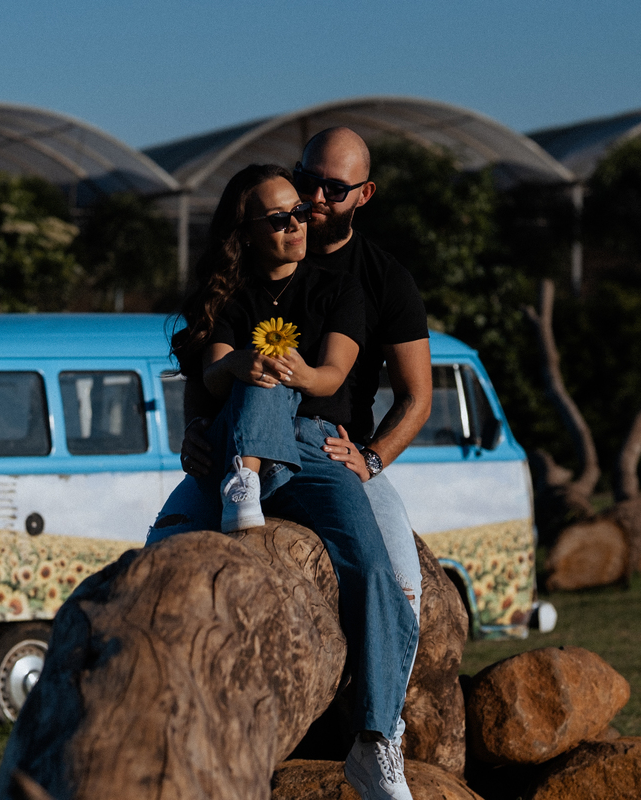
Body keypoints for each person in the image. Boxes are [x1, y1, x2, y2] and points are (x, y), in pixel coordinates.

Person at [149, 128, 432, 800]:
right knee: (156, 557)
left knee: (397, 584)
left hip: (336, 448)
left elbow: (413, 398)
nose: (310, 202)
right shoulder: (234, 291)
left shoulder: (370, 280)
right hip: (241, 438)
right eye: (304, 184)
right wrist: (202, 422)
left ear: (363, 195)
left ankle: (376, 737)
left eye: (329, 190)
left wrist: (369, 458)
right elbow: (208, 377)